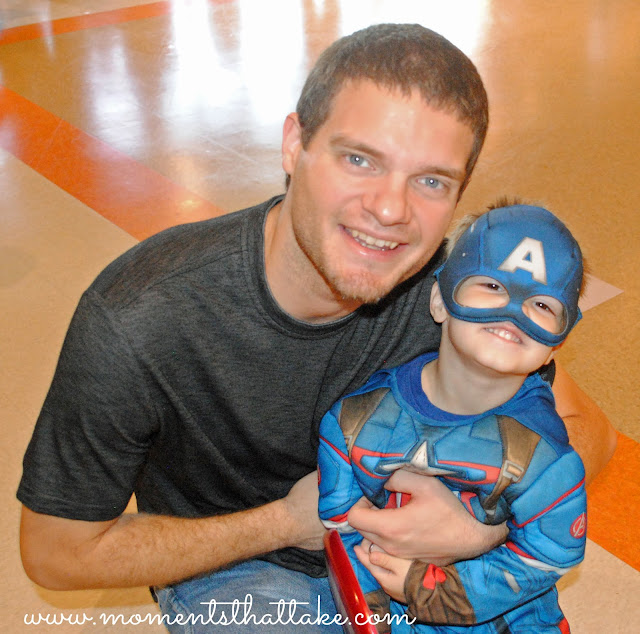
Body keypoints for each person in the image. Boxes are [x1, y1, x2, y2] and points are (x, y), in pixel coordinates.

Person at [18, 23, 613, 632]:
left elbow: (589, 432)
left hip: (415, 557)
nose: (390, 209)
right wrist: (283, 522)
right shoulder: (144, 315)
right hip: (243, 566)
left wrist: (479, 525)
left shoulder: (451, 292)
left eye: (431, 181)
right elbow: (57, 552)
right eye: (359, 159)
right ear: (293, 144)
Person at [318, 201, 588, 633]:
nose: (514, 311)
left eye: (542, 305)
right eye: (492, 285)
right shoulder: (353, 422)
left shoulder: (547, 457)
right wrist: (373, 612)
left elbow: (550, 555)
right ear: (440, 301)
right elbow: (341, 530)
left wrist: (439, 592)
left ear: (554, 346)